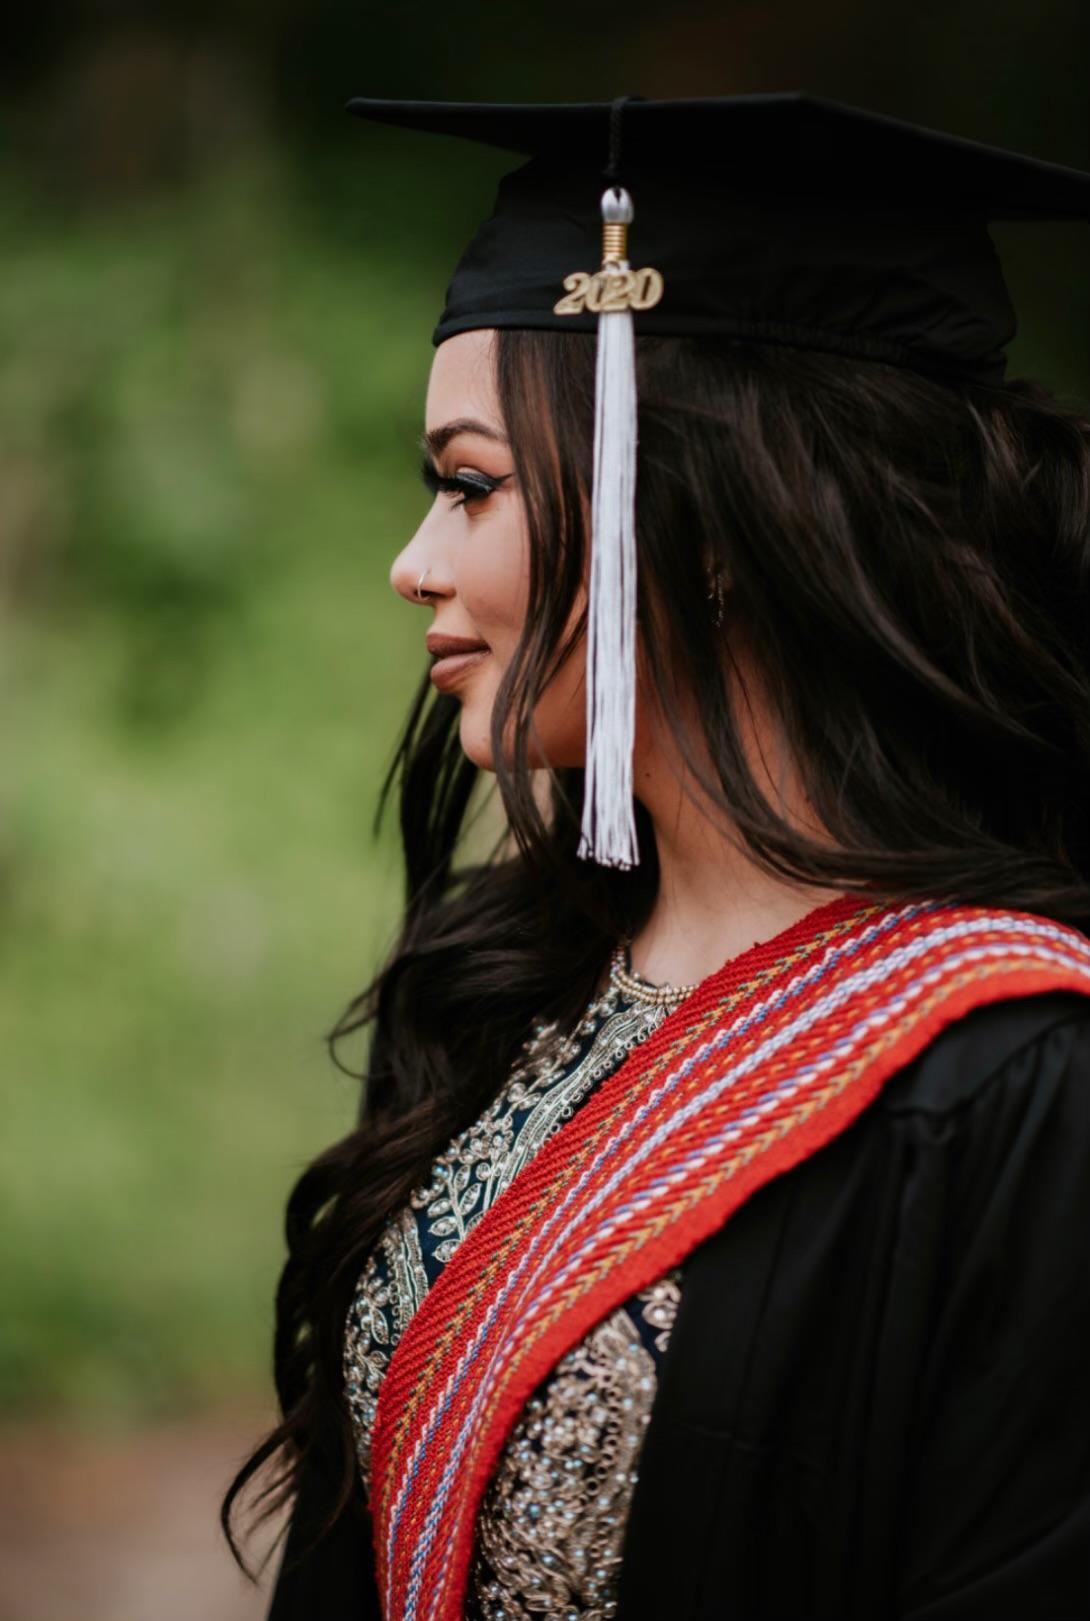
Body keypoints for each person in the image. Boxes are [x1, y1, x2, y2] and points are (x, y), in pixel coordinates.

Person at [222, 94, 1090, 1619]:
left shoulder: (1019, 1085)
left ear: (693, 518)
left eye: (471, 484)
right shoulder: (499, 984)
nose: (412, 562)